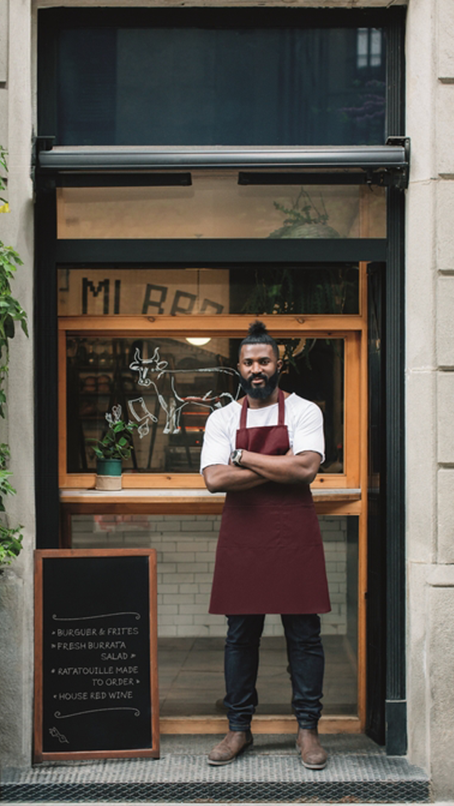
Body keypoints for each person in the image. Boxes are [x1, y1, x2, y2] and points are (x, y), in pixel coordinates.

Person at [200, 320, 331, 769]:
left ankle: (308, 731)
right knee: (240, 637)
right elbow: (214, 480)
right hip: (244, 539)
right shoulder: (222, 418)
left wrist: (243, 458)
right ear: (238, 367)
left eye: (264, 361)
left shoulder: (304, 411)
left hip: (293, 538)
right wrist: (279, 464)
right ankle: (238, 729)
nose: (257, 369)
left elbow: (306, 470)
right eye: (249, 362)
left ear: (279, 364)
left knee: (305, 637)